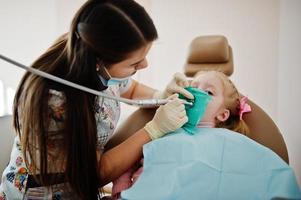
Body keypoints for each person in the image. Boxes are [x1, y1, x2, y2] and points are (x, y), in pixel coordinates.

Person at [0, 1, 194, 199]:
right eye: (134, 64)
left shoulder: (97, 57)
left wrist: (159, 95)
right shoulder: (54, 104)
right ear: (97, 62)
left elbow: (131, 88)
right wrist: (154, 130)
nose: (145, 64)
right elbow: (94, 174)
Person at [111, 70, 252, 198]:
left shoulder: (226, 143)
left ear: (223, 114)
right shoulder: (164, 126)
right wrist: (122, 192)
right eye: (194, 87)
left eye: (209, 92)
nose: (196, 93)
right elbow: (128, 162)